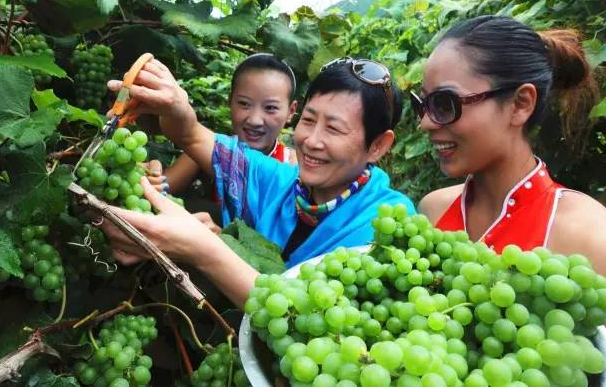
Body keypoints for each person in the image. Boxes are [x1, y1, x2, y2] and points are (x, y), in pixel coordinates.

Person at [101, 57, 415, 308]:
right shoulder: (280, 181)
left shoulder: (389, 224)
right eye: (308, 120)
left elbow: (305, 323)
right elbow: (191, 134)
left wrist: (203, 249)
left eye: (334, 129)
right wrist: (177, 105)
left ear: (377, 146)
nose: (311, 141)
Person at [414, 15, 606, 275]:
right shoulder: (433, 210)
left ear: (520, 104)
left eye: (444, 104)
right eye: (422, 104)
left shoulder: (591, 236)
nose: (426, 123)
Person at [147, 53, 298, 197]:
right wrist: (151, 176)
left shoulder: (294, 167)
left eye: (270, 108)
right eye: (244, 104)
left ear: (291, 111)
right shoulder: (209, 148)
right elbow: (160, 188)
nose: (255, 120)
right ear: (230, 101)